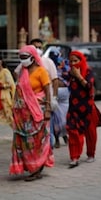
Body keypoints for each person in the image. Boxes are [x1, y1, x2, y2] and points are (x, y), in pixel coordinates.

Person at [9, 45, 54, 181]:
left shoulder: (41, 71)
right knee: (24, 142)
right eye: (20, 57)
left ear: (33, 58)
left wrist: (47, 109)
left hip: (39, 113)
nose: (22, 60)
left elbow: (47, 92)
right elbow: (19, 92)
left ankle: (37, 169)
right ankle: (31, 167)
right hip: (23, 116)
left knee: (38, 141)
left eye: (25, 57)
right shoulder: (23, 72)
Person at [65, 50, 101, 168]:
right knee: (73, 132)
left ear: (81, 61)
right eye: (71, 61)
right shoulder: (69, 73)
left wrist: (78, 76)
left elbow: (89, 87)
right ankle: (74, 156)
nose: (73, 64)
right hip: (73, 108)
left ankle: (91, 154)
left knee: (90, 133)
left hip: (87, 107)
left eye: (75, 61)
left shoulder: (88, 71)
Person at [30, 38, 59, 147]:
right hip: (31, 102)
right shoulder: (27, 63)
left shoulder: (48, 62)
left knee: (48, 128)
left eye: (39, 47)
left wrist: (54, 97)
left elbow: (55, 80)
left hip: (45, 101)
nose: (37, 50)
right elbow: (17, 75)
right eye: (35, 47)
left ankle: (48, 151)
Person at [49, 47, 69, 148]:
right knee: (55, 119)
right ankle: (57, 139)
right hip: (54, 93)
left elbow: (69, 75)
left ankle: (65, 135)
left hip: (64, 94)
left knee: (64, 119)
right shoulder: (48, 64)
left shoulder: (64, 64)